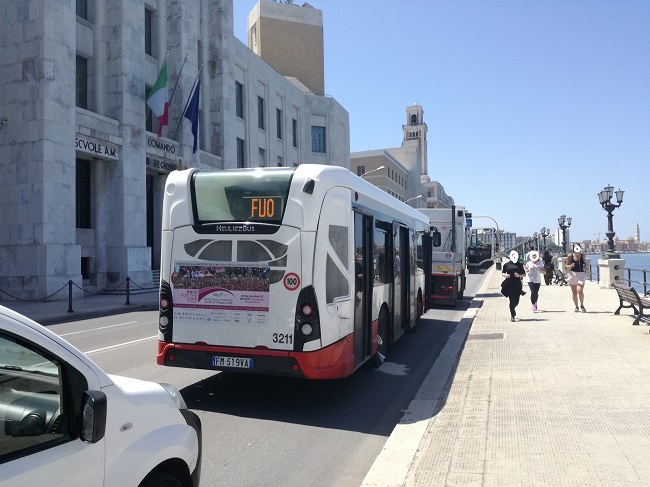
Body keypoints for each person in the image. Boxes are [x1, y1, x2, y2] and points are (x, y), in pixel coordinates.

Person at [501, 250, 526, 322]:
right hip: (509, 284)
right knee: (512, 300)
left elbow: (524, 274)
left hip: (517, 284)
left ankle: (512, 308)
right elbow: (503, 273)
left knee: (516, 301)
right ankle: (512, 314)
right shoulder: (506, 264)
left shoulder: (520, 265)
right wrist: (505, 275)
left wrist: (519, 275)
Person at [566, 244, 587, 312]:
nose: (576, 247)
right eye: (575, 246)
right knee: (574, 292)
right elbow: (566, 265)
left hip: (581, 274)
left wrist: (585, 267)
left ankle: (582, 305)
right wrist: (570, 266)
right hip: (573, 274)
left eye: (577, 246)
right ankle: (576, 306)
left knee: (580, 291)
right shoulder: (570, 256)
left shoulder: (583, 256)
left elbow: (584, 264)